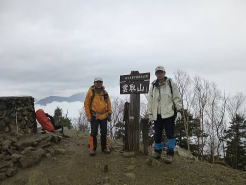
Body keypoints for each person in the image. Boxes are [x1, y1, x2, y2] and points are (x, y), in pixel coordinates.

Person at [147, 66, 182, 163]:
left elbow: (176, 97)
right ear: (156, 74)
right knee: (157, 134)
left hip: (169, 114)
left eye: (161, 72)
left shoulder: (171, 83)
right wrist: (150, 113)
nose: (159, 74)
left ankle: (170, 154)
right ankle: (157, 152)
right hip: (157, 114)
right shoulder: (153, 85)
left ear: (164, 73)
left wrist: (179, 110)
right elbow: (150, 101)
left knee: (170, 134)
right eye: (158, 73)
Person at [84, 77, 112, 156]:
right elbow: (86, 104)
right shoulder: (91, 92)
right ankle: (92, 149)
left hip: (104, 116)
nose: (99, 83)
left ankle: (105, 147)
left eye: (100, 82)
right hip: (94, 116)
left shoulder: (105, 93)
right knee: (93, 133)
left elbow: (109, 103)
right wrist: (88, 115)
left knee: (104, 133)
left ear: (102, 83)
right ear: (94, 83)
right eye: (97, 82)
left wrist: (109, 112)